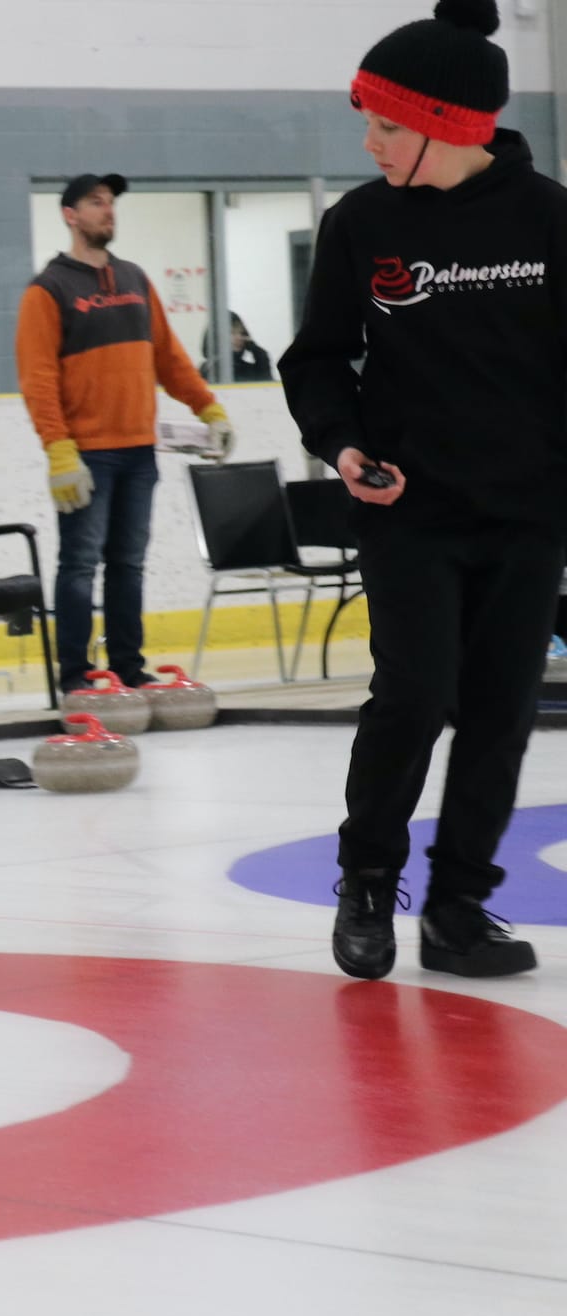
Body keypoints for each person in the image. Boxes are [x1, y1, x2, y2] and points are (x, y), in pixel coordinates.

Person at [280, 0, 557, 981]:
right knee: (414, 693)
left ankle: (455, 908)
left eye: (385, 124)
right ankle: (366, 882)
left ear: (447, 123)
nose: (368, 140)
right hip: (409, 513)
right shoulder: (360, 224)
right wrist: (342, 446)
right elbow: (316, 361)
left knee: (496, 712)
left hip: (526, 521)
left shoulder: (549, 220)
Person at [16, 172, 236, 694]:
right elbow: (38, 379)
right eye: (96, 203)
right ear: (70, 215)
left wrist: (209, 408)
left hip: (139, 454)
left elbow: (170, 357)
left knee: (128, 566)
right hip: (87, 457)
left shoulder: (135, 280)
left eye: (111, 203)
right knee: (78, 568)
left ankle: (127, 670)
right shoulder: (48, 290)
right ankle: (75, 678)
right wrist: (59, 451)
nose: (107, 211)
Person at [198, 312, 275, 382]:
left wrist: (256, 351)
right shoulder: (209, 369)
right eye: (232, 333)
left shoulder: (250, 369)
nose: (239, 337)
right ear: (217, 338)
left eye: (242, 333)